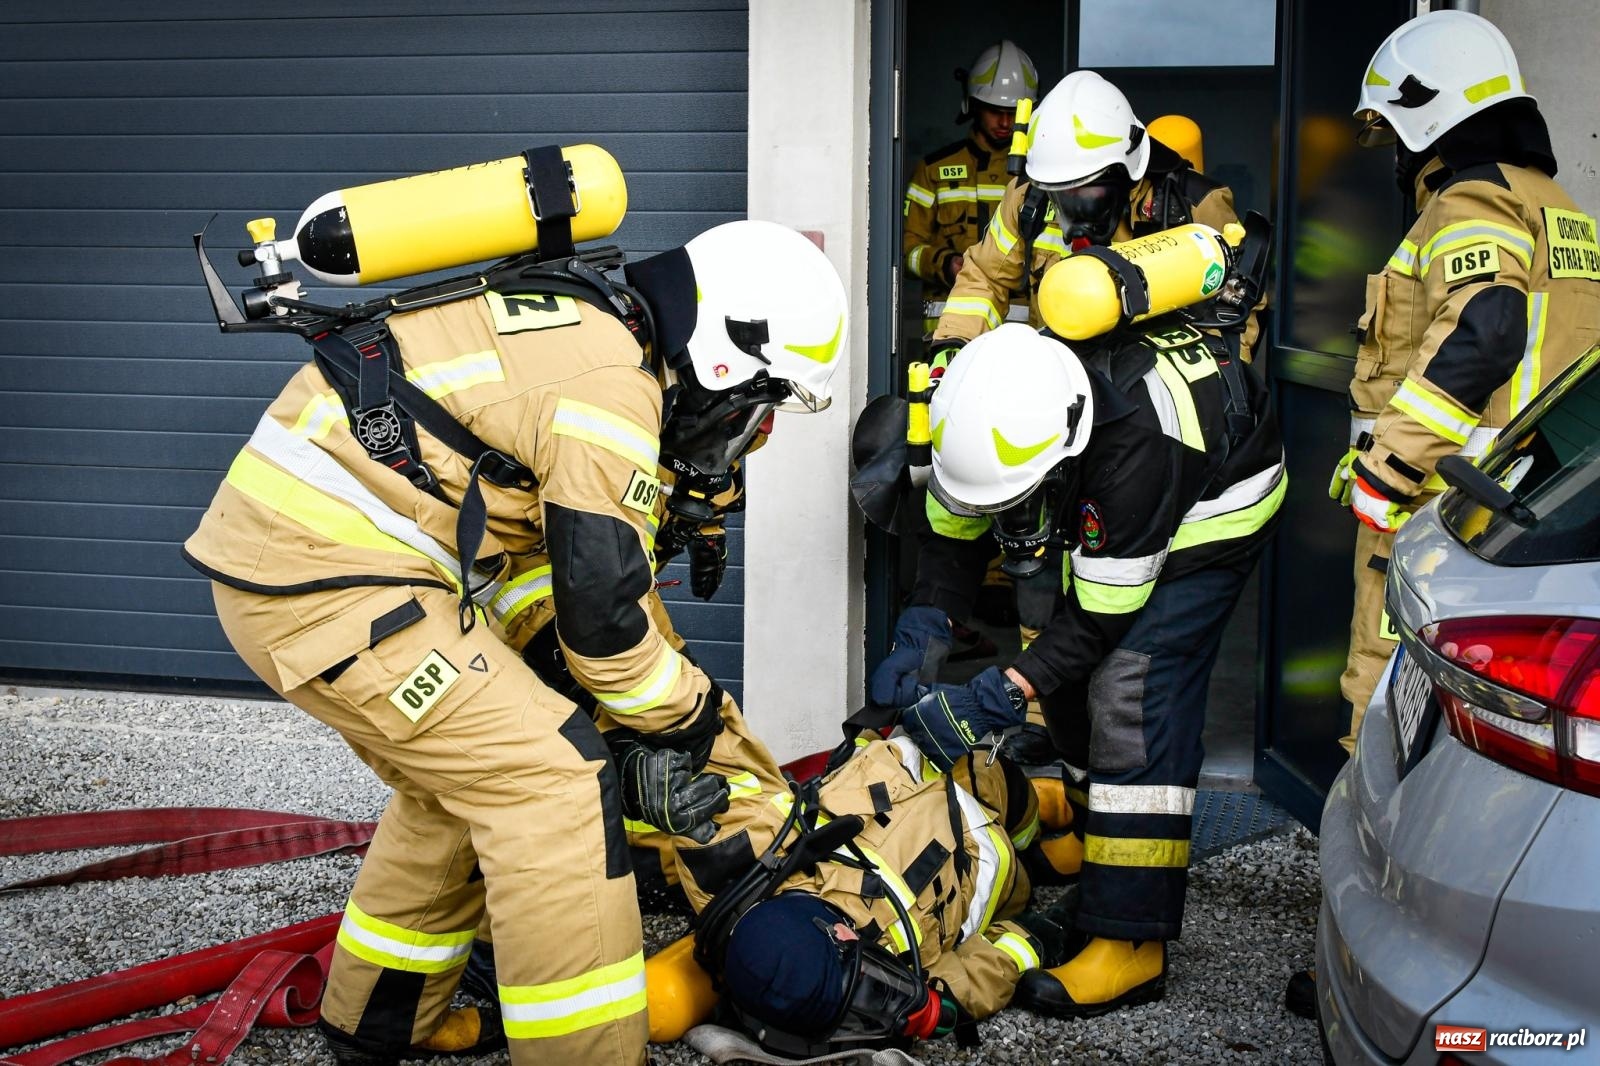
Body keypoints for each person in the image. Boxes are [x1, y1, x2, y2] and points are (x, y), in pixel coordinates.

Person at [182, 218, 847, 1066]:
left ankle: (379, 1028)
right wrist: (694, 716)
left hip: (297, 567)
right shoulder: (613, 388)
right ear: (725, 360)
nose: (744, 431)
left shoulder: (586, 325)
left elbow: (543, 573)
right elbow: (605, 629)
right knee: (556, 785)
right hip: (332, 589)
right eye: (752, 406)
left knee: (460, 786)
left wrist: (603, 694)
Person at [874, 319, 1284, 1017]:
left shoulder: (1132, 453)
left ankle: (1131, 943)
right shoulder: (972, 415)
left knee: (1133, 690)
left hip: (1213, 504)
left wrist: (998, 690)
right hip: (1122, 494)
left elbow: (1099, 622)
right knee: (1065, 680)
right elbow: (954, 537)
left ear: (1061, 464)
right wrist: (922, 633)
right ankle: (1096, 841)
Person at [1331, 9, 1600, 754]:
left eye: (1395, 128)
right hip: (1521, 510)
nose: (1394, 155)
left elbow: (1487, 328)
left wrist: (1388, 467)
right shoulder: (1562, 210)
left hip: (1436, 509)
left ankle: (1372, 859)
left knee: (1385, 697)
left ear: (1432, 114)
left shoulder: (1471, 199)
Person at [930, 69, 1262, 367]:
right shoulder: (1025, 198)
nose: (1073, 211)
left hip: (1150, 390)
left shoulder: (1193, 206)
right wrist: (954, 347)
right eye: (1063, 194)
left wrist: (1216, 390)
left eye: (1089, 193)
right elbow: (984, 278)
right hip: (1056, 379)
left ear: (1126, 172)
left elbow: (1236, 313)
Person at [903, 40, 1039, 339]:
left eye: (1013, 112)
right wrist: (945, 264)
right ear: (974, 105)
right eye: (994, 110)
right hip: (951, 328)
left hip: (1023, 335)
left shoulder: (1040, 174)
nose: (1005, 122)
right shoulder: (934, 169)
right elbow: (906, 250)